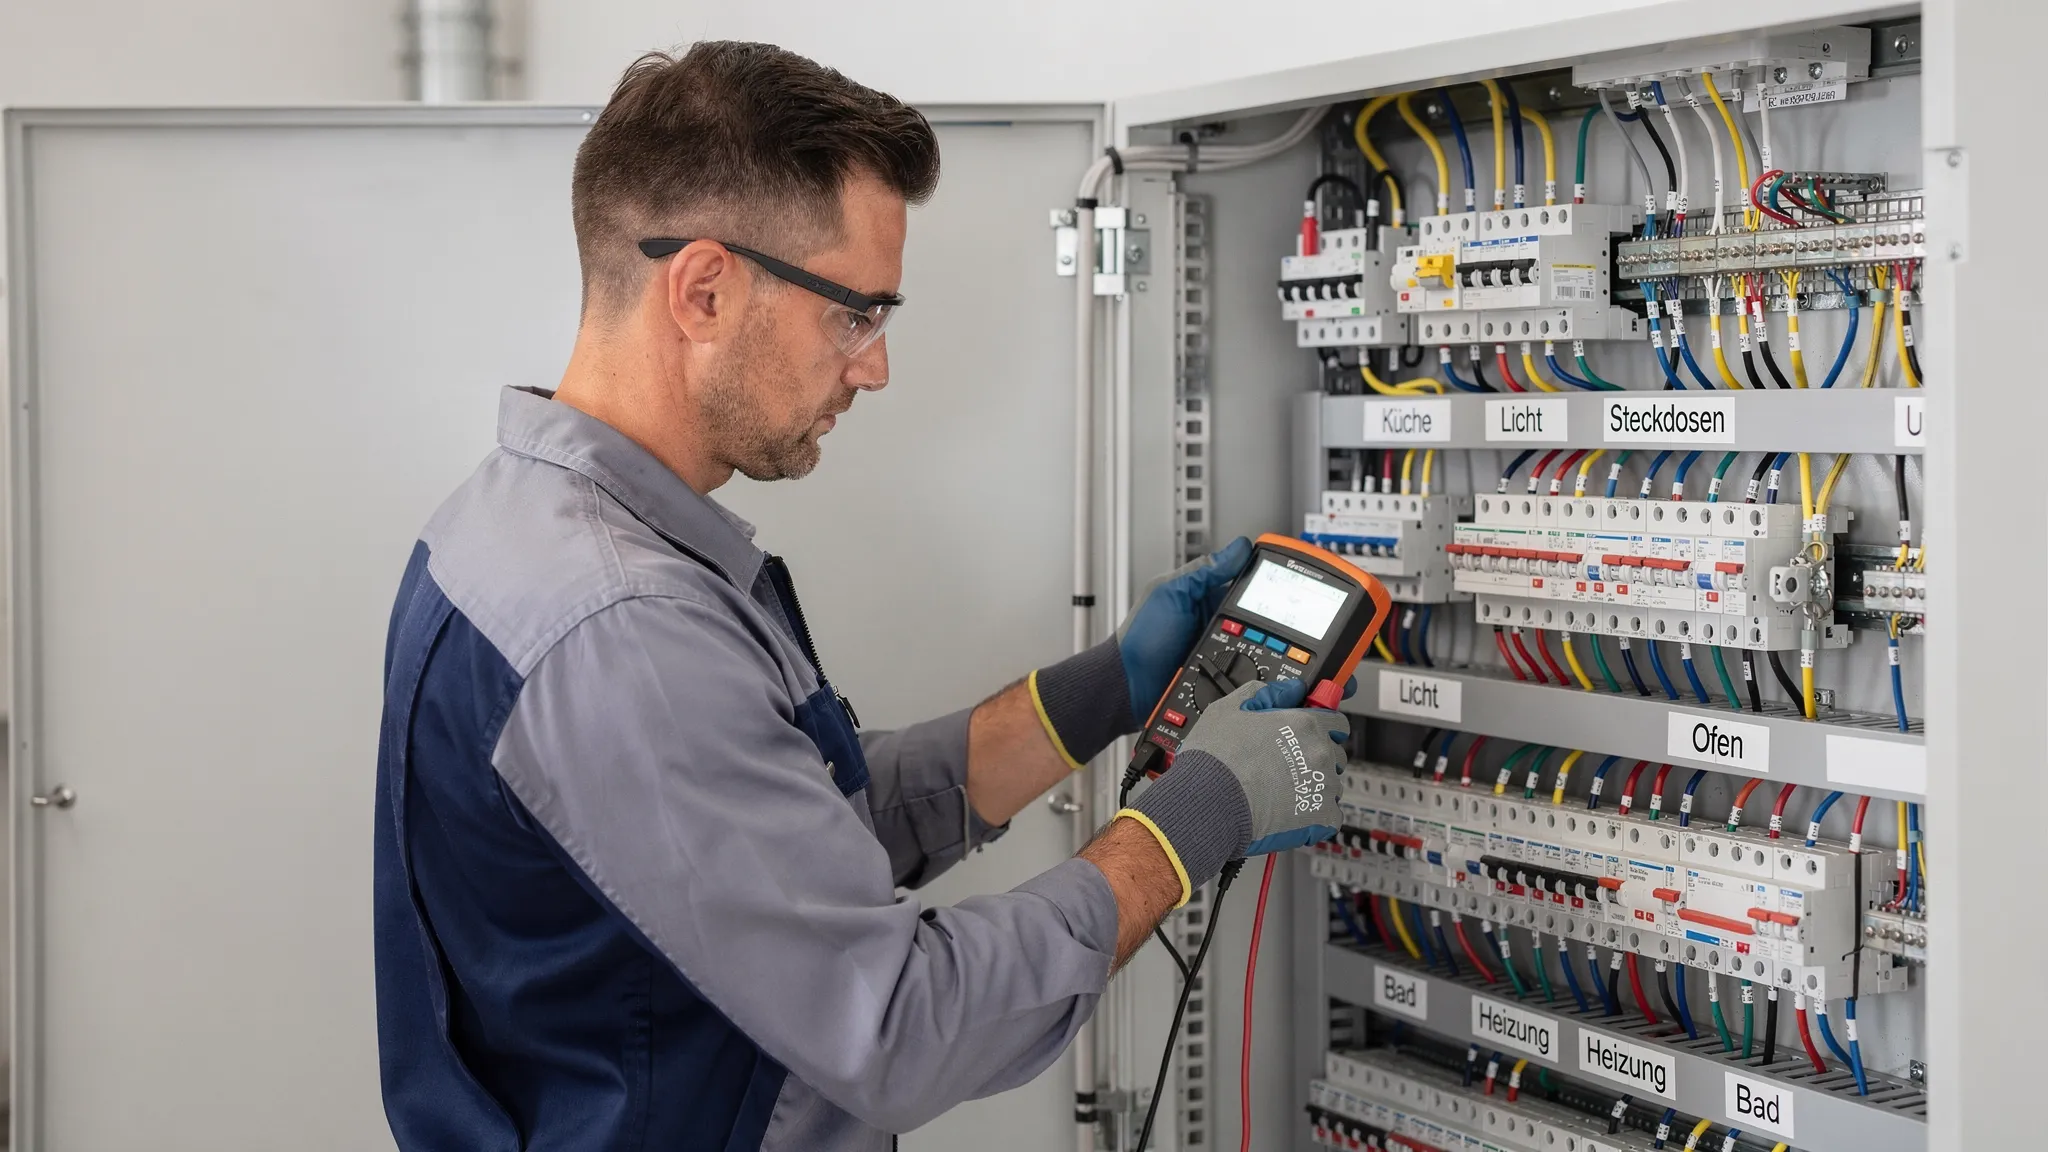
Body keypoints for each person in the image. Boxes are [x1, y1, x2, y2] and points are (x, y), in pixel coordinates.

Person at [374, 41, 1348, 1151]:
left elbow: (785, 839)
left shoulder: (513, 525)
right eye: (855, 313)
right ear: (702, 288)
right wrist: (1186, 825)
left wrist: (1104, 691)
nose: (873, 367)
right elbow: (898, 1024)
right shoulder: (620, 628)